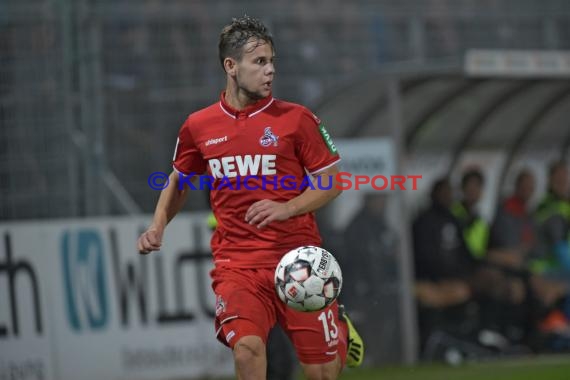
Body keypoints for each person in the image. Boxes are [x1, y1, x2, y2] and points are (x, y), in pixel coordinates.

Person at [137, 16, 363, 380]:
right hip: (237, 265)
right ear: (231, 66)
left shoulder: (297, 119)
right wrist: (158, 225)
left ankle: (336, 335)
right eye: (259, 62)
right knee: (247, 350)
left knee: (320, 372)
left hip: (298, 260)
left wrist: (287, 207)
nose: (270, 71)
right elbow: (180, 179)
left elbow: (332, 182)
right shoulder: (198, 125)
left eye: (272, 61)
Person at [452, 168, 490, 259]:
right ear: (462, 188)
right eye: (470, 186)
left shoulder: (481, 222)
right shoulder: (452, 213)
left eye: (477, 186)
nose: (473, 190)